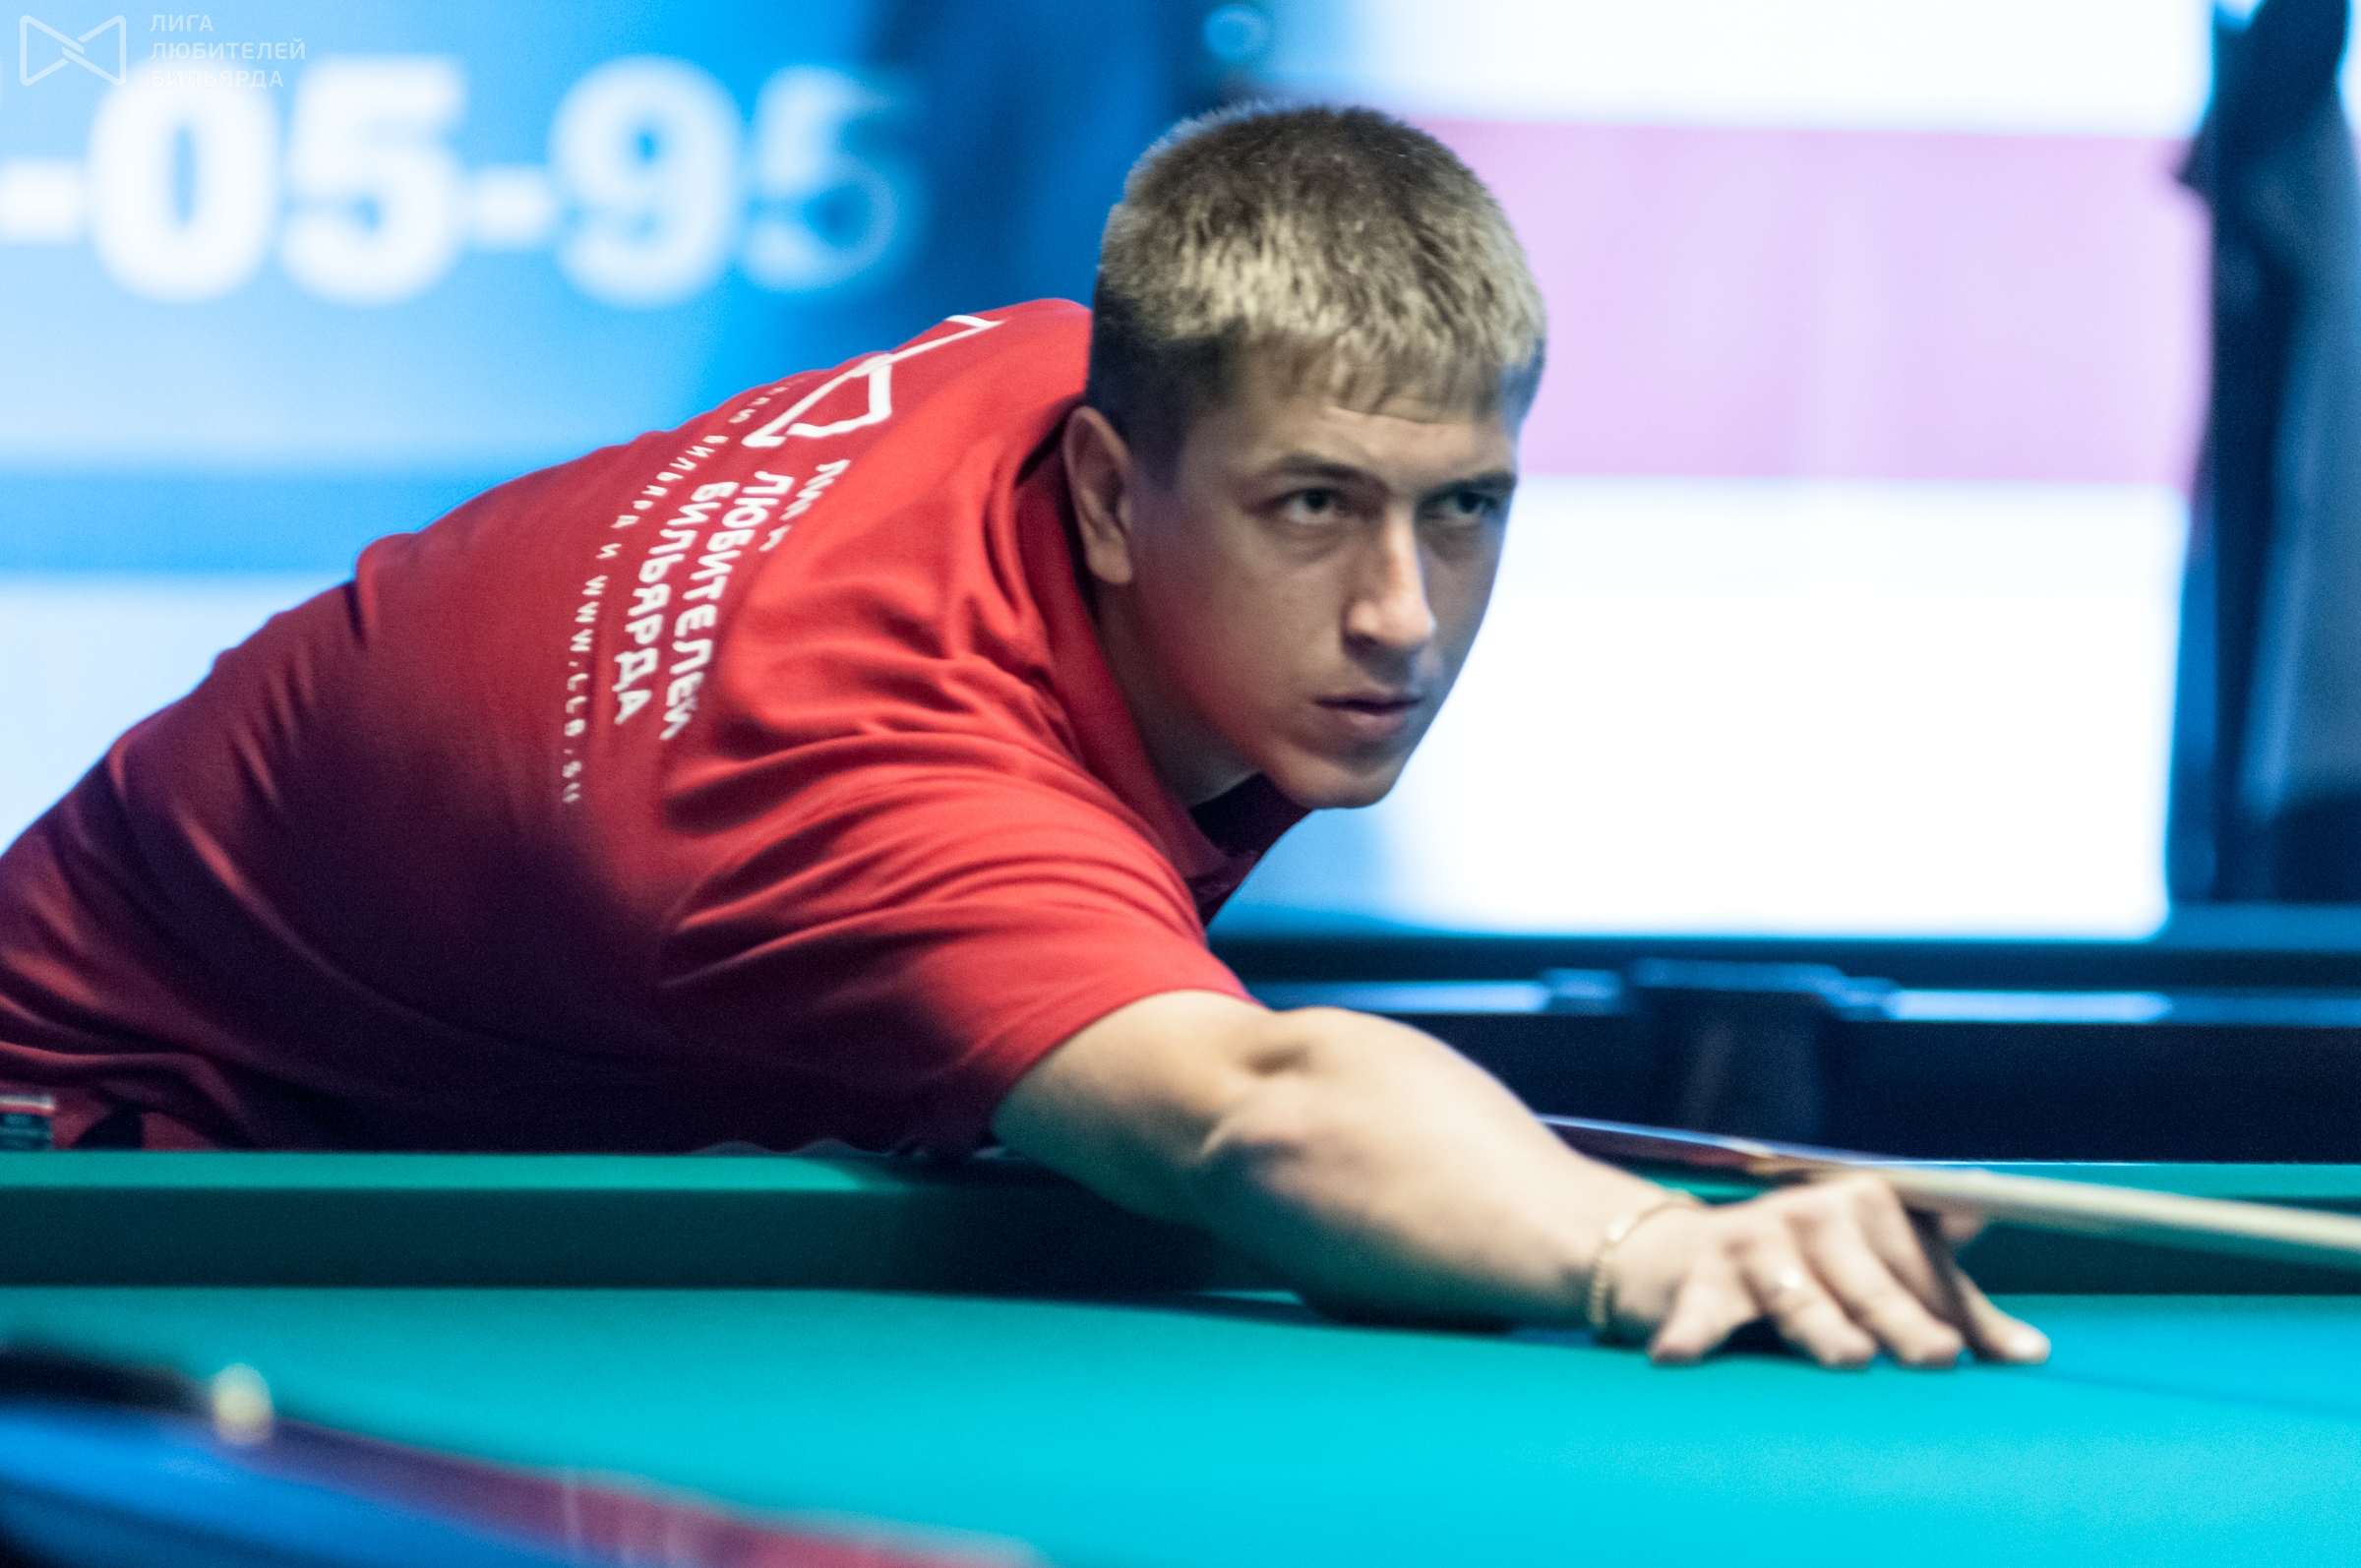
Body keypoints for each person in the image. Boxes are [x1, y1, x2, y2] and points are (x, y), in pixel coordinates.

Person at [0, 103, 2047, 1369]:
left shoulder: (1100, 369)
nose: (1403, 614)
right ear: (1104, 493)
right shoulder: (872, 768)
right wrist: (1636, 1243)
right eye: (1313, 506)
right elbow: (1255, 1106)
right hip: (107, 1167)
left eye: (1465, 509)